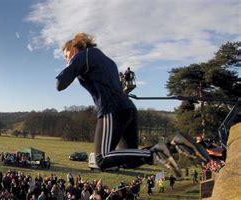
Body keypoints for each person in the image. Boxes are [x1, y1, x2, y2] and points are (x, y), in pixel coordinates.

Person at [55, 32, 212, 176]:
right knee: (130, 160)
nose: (67, 59)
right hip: (127, 109)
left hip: (112, 110)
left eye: (66, 55)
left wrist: (70, 65)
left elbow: (60, 84)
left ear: (74, 48)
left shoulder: (84, 55)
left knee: (101, 159)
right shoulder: (106, 60)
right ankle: (175, 145)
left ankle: (159, 152)